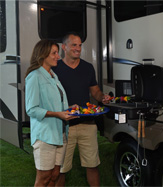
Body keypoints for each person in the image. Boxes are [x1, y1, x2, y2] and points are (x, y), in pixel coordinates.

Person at [53, 32, 110, 186]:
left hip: (88, 123)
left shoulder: (87, 67)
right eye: (74, 45)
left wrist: (102, 97)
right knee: (62, 169)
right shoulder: (55, 68)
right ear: (64, 47)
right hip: (65, 126)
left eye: (79, 45)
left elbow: (95, 91)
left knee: (92, 165)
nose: (78, 48)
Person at [25, 39, 77, 186]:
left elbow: (56, 103)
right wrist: (57, 114)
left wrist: (68, 109)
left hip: (60, 133)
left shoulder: (54, 76)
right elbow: (31, 109)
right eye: (54, 53)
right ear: (43, 54)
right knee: (44, 178)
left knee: (55, 175)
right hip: (45, 135)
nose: (58, 57)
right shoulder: (34, 76)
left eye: (57, 53)